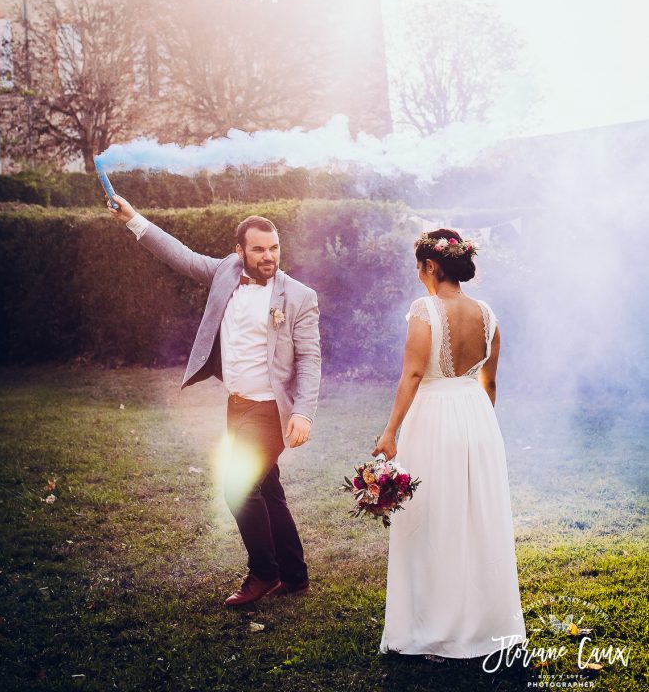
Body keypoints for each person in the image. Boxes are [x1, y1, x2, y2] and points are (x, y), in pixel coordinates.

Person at [107, 195, 321, 608]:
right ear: (240, 251)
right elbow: (181, 256)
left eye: (274, 247)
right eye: (258, 248)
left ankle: (264, 573)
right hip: (237, 405)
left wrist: (302, 413)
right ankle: (294, 574)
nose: (268, 256)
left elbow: (310, 358)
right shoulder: (226, 271)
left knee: (238, 487)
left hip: (270, 410)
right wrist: (133, 218)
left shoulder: (298, 296)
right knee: (268, 489)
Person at [373, 228, 526, 659]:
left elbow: (414, 376)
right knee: (478, 518)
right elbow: (490, 382)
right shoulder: (488, 314)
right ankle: (485, 624)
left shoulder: (424, 310)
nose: (419, 276)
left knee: (432, 518)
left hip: (434, 418)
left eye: (419, 267)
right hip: (478, 418)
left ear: (430, 266)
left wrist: (389, 432)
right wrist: (478, 425)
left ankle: (434, 629)